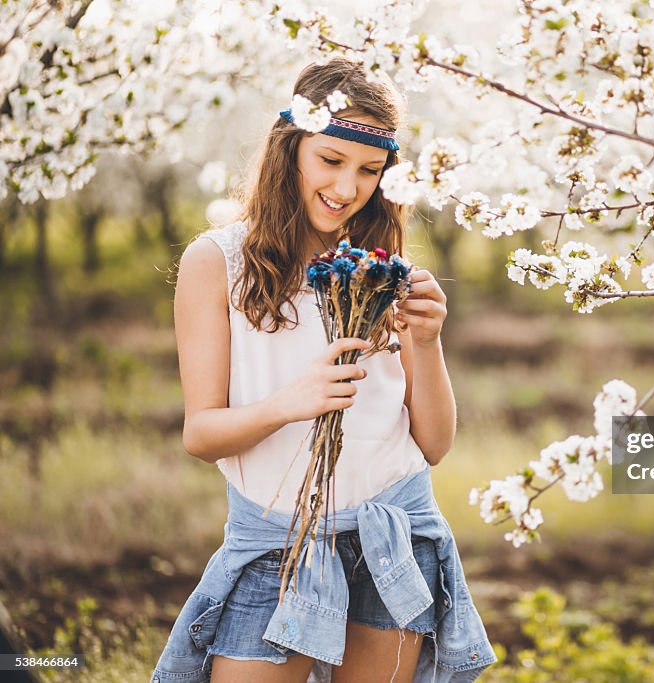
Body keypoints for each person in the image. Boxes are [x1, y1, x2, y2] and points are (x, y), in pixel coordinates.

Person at [151, 57, 495, 683]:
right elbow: (201, 435)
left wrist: (427, 339)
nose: (347, 187)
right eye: (331, 160)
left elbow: (436, 444)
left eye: (370, 170)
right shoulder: (218, 262)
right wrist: (293, 400)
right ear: (291, 149)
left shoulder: (382, 270)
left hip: (391, 533)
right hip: (276, 540)